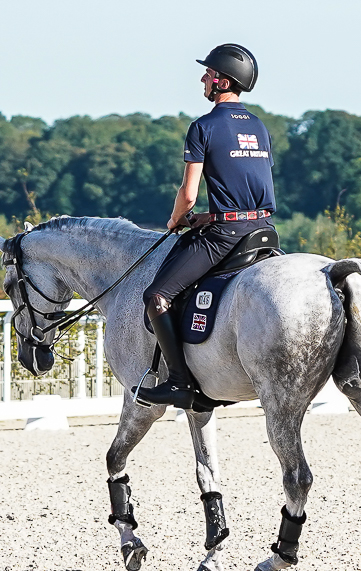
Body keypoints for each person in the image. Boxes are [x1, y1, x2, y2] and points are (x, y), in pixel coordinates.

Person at [136, 43, 275, 410]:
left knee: (157, 296)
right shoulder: (259, 127)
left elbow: (188, 193)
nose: (202, 78)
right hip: (262, 227)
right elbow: (246, 185)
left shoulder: (204, 127)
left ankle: (179, 382)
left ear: (222, 81)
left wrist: (177, 218)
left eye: (208, 74)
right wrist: (211, 216)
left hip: (226, 235)